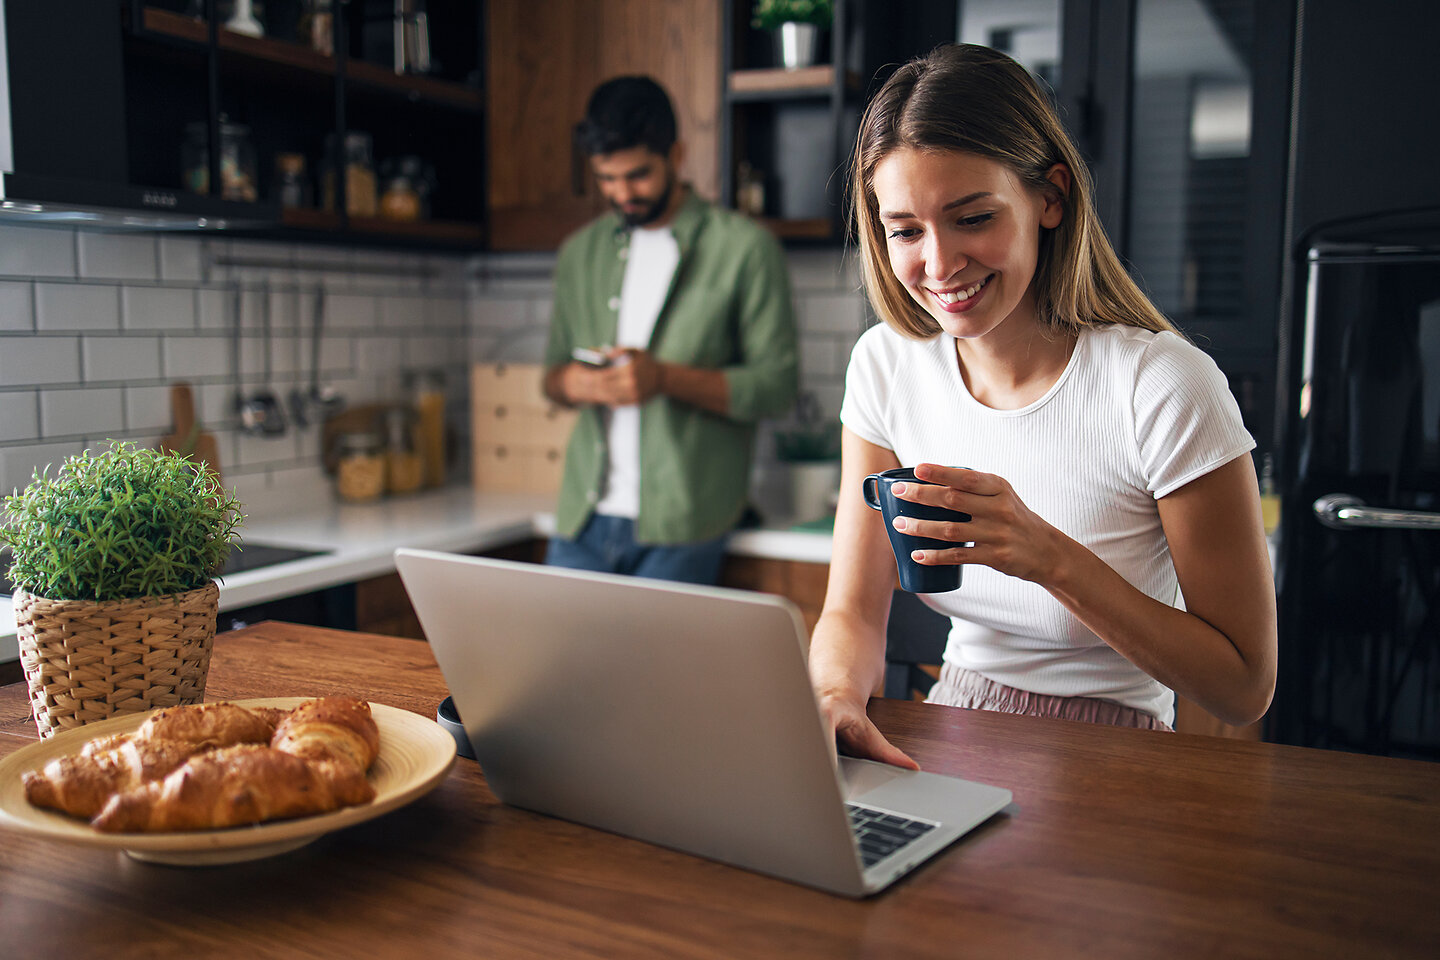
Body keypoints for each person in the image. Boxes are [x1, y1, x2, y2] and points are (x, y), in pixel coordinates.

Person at [809, 44, 1277, 769]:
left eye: (971, 218)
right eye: (905, 230)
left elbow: (1245, 687)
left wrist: (1048, 557)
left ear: (1050, 197)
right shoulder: (886, 366)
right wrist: (835, 694)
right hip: (952, 725)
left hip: (1115, 753)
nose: (937, 265)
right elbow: (852, 612)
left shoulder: (1161, 385)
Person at [542, 76, 799, 584]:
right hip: (581, 519)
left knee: (652, 669)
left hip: (685, 523)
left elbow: (776, 389)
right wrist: (577, 383)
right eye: (606, 179)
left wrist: (663, 379)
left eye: (637, 175)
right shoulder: (579, 253)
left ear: (676, 154)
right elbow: (552, 377)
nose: (621, 194)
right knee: (557, 666)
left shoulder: (746, 249)